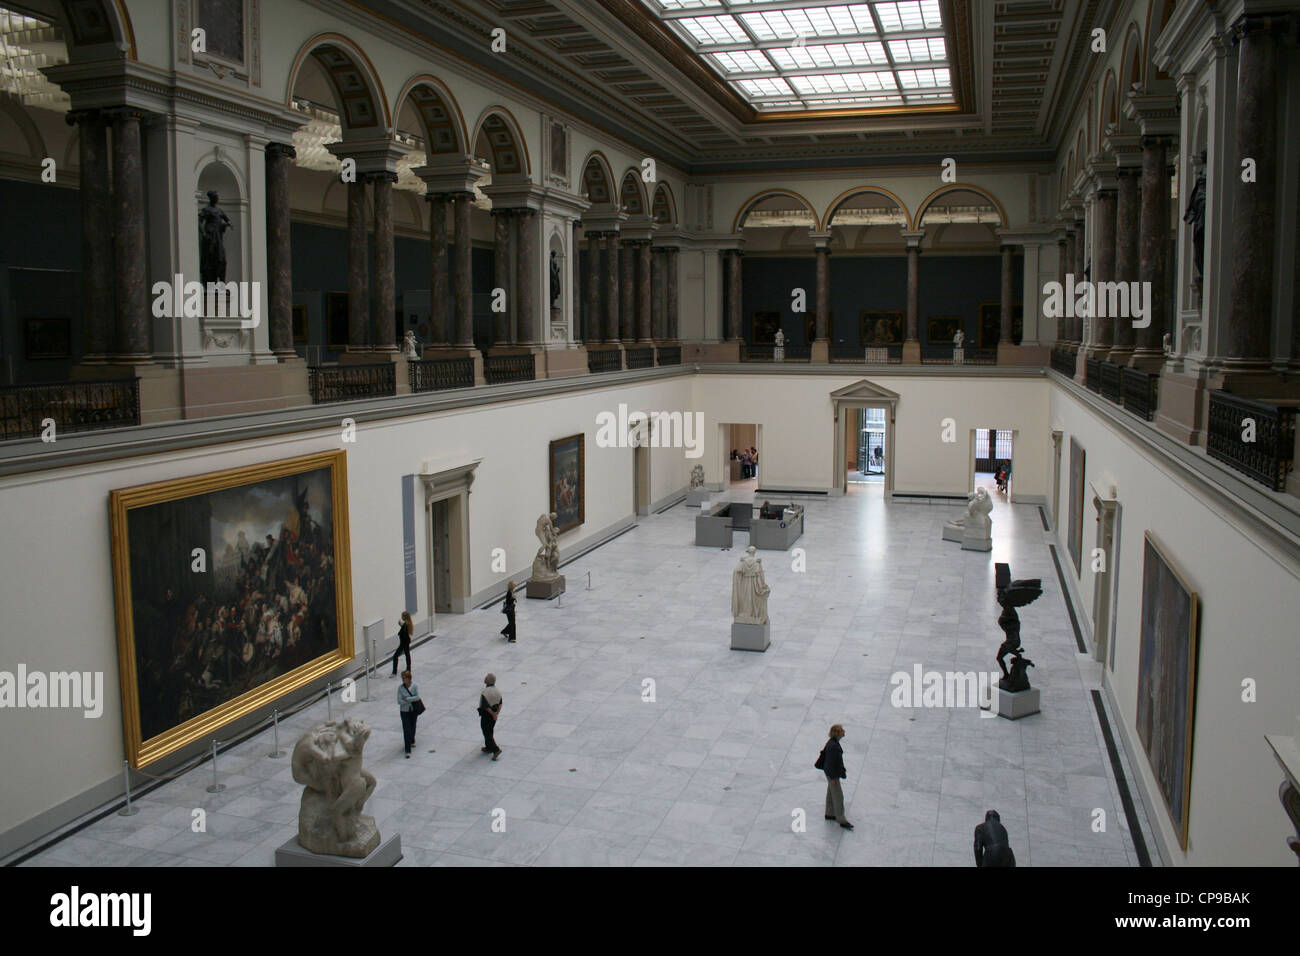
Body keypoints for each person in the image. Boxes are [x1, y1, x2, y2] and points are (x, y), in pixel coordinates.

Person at [818, 724, 853, 830]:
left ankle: (830, 813)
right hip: (832, 774)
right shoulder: (833, 746)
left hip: (830, 772)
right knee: (838, 796)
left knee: (831, 792)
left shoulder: (832, 743)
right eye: (842, 730)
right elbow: (831, 763)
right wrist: (833, 778)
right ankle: (841, 819)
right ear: (837, 733)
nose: (844, 731)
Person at [397, 669, 421, 758]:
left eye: (405, 678)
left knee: (413, 726)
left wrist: (407, 699)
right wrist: (410, 699)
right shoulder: (400, 688)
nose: (403, 680)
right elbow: (399, 701)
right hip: (404, 711)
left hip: (413, 710)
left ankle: (412, 739)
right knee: (406, 729)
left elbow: (417, 697)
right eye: (402, 678)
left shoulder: (414, 686)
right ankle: (408, 749)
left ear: (409, 678)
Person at [478, 673, 503, 760]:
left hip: (487, 715)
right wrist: (496, 714)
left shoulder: (485, 692)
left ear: (487, 681)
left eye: (486, 677)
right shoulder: (497, 691)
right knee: (490, 730)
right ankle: (488, 747)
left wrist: (492, 713)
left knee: (486, 731)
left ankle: (495, 749)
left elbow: (484, 706)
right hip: (494, 715)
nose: (484, 678)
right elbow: (500, 704)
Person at [390, 610, 412, 677]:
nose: (401, 617)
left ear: (404, 617)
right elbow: (405, 628)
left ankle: (394, 672)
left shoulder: (406, 624)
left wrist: (403, 644)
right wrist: (401, 625)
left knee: (395, 656)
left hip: (403, 643)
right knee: (407, 655)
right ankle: (408, 669)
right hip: (405, 642)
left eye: (402, 616)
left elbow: (404, 633)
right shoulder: (407, 623)